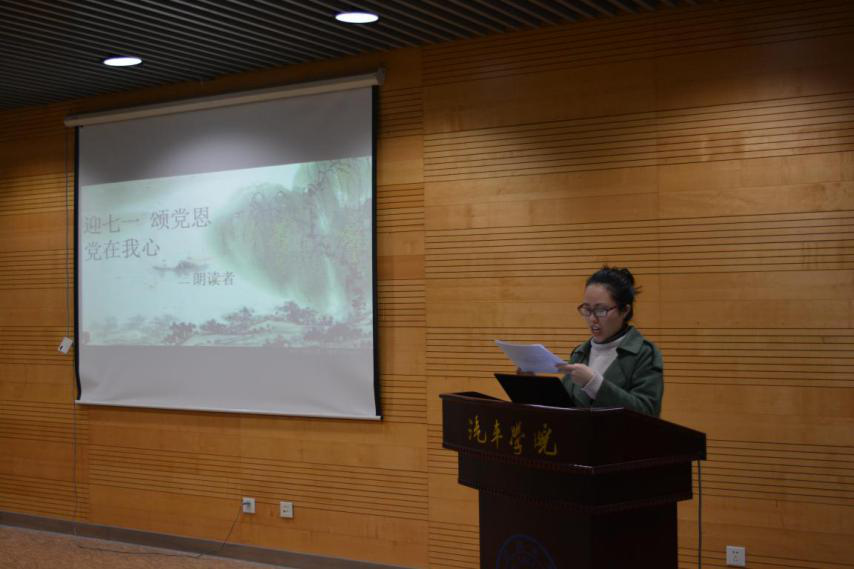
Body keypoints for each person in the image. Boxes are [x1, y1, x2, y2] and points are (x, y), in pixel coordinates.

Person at [555, 266, 663, 417]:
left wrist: (595, 384)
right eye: (587, 310)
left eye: (601, 310)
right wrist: (531, 383)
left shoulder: (644, 353)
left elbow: (647, 413)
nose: (592, 318)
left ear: (624, 310)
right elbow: (562, 407)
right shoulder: (580, 352)